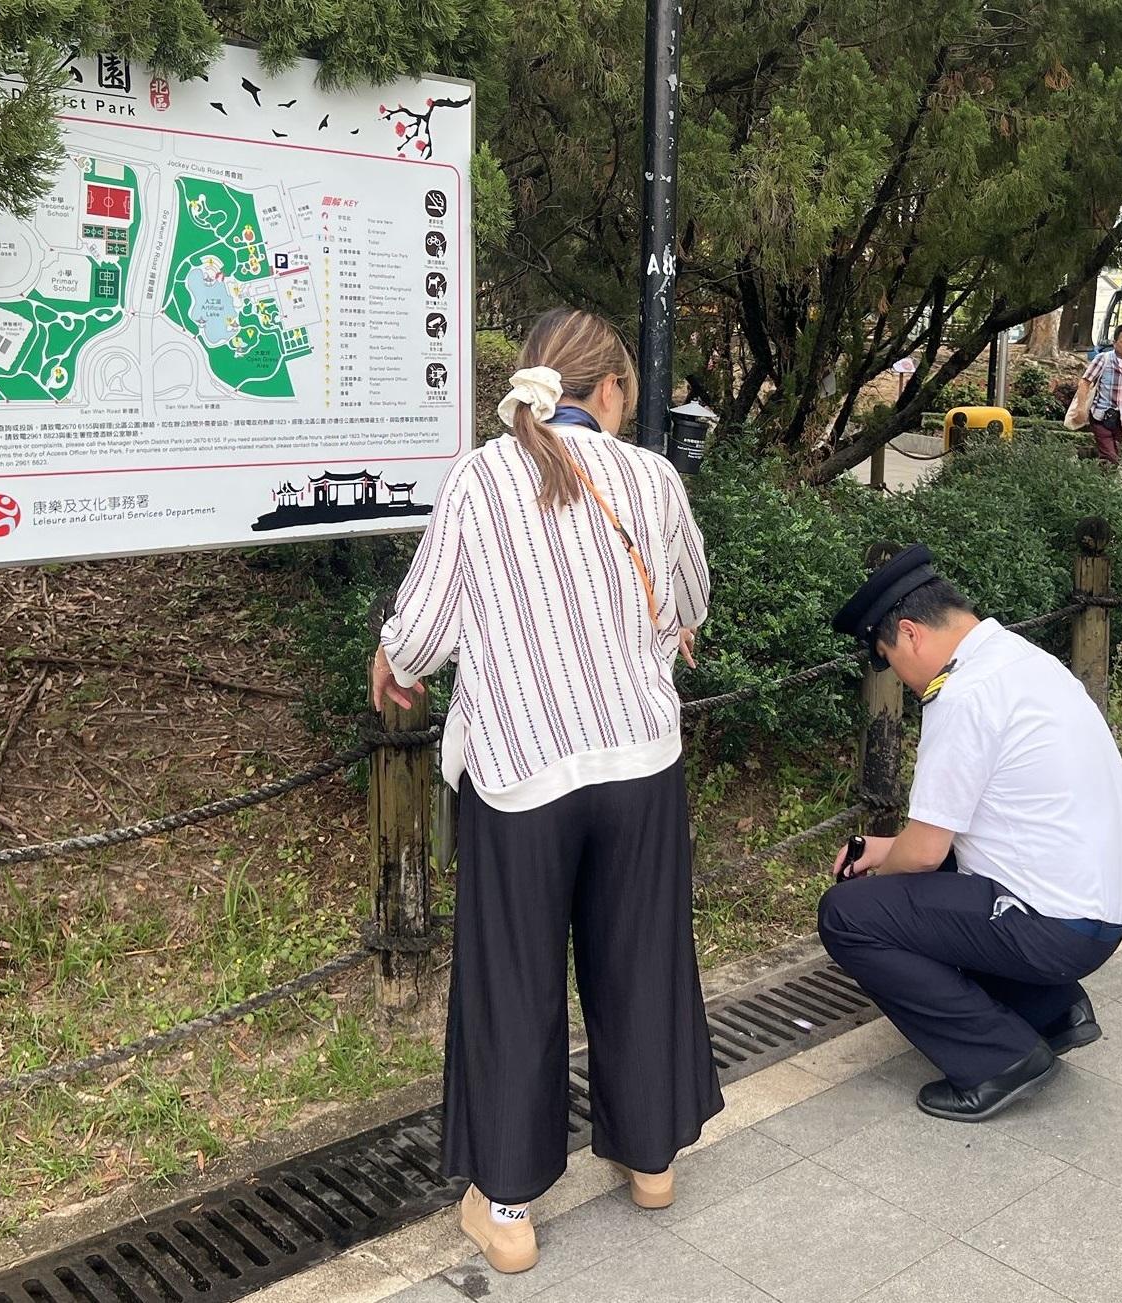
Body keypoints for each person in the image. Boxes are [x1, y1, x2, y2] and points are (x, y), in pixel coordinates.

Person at [369, 308, 719, 1274]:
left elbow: (424, 628)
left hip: (523, 768)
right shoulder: (652, 476)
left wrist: (393, 658)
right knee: (641, 955)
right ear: (609, 390)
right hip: (640, 761)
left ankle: (508, 1210)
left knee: (515, 977)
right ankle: (650, 1160)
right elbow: (689, 597)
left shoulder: (482, 476)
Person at [817, 547, 1122, 1122]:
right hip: (1106, 906)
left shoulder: (962, 695)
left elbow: (924, 855)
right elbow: (958, 832)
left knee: (848, 915)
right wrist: (883, 850)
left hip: (1058, 928)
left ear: (911, 634)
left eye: (890, 660)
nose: (900, 678)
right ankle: (1053, 1011)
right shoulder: (1022, 659)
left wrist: (878, 877)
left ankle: (999, 1059)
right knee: (926, 886)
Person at [1082, 324, 1122, 465]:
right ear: (1114, 342)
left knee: (1114, 454)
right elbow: (1085, 382)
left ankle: (1095, 470)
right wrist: (1081, 409)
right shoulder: (1103, 359)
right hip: (1100, 414)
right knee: (1110, 456)